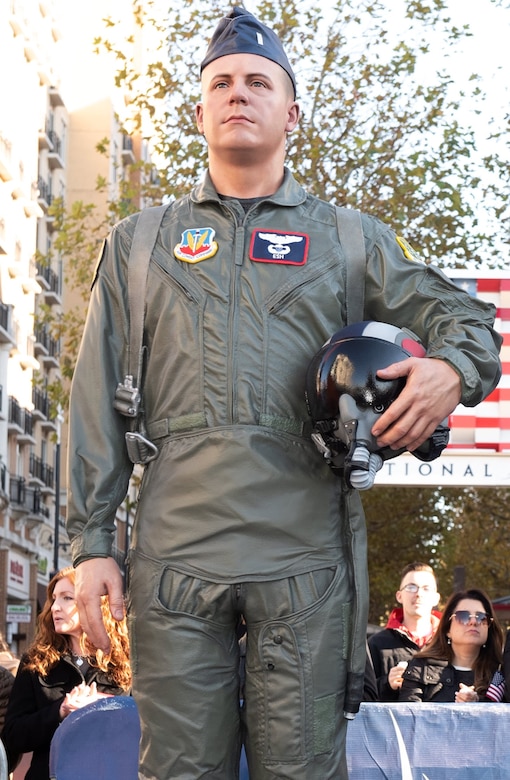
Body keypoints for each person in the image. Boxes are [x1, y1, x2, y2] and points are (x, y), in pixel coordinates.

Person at [65, 6, 502, 779]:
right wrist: (92, 543)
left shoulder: (348, 238)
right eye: (222, 82)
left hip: (305, 558)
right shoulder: (140, 246)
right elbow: (94, 397)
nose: (239, 93)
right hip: (174, 562)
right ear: (199, 109)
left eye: (259, 82)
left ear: (291, 111)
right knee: (177, 772)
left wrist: (449, 370)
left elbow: (465, 317)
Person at [1, 567, 131, 780]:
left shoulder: (126, 663)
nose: (55, 607)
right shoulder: (36, 662)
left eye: (67, 598)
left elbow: (144, 731)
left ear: (97, 605)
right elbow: (13, 737)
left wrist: (105, 708)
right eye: (53, 599)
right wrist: (59, 711)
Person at [398, 588, 506, 703]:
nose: (473, 622)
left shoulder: (500, 674)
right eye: (463, 616)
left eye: (481, 618)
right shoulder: (420, 667)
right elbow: (409, 717)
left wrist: (477, 705)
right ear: (447, 629)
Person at [368, 562, 441, 701]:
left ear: (436, 598)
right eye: (411, 587)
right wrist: (387, 684)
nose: (418, 594)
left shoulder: (449, 643)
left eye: (426, 588)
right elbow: (360, 695)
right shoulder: (377, 644)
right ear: (399, 596)